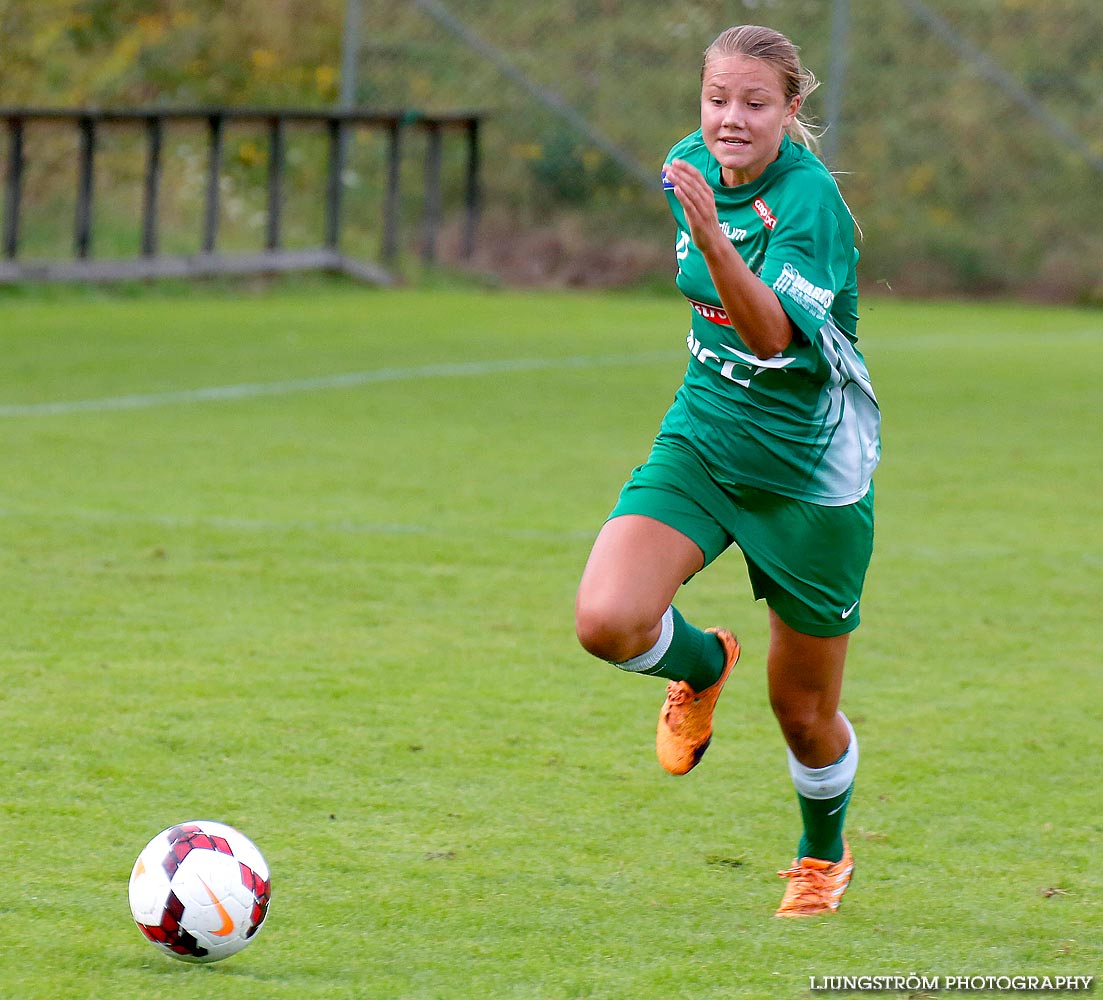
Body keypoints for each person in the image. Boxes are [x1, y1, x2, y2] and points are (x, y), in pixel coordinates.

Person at [574, 24, 880, 918]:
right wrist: (706, 225)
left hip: (808, 477)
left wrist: (714, 242)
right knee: (606, 621)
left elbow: (773, 335)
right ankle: (703, 664)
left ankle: (821, 856)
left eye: (753, 103)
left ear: (790, 109)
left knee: (805, 717)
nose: (730, 120)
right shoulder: (686, 168)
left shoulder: (809, 204)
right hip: (704, 435)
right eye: (716, 100)